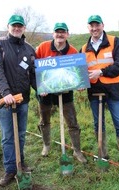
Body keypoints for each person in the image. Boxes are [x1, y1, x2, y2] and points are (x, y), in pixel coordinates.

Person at [0, 14, 36, 187]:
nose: (17, 28)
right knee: (9, 136)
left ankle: (20, 163)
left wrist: (42, 90)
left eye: (20, 26)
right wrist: (6, 93)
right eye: (14, 25)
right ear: (8, 26)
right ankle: (10, 169)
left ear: (24, 28)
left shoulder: (29, 49)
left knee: (21, 134)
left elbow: (33, 74)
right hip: (4, 99)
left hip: (22, 99)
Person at [80, 15, 119, 167]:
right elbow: (81, 71)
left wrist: (101, 72)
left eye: (97, 25)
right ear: (88, 28)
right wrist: (81, 82)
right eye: (91, 26)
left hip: (113, 90)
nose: (94, 28)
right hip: (94, 91)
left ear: (102, 25)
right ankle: (102, 154)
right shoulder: (84, 48)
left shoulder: (114, 41)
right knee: (98, 123)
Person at [36, 22, 87, 163]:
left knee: (72, 121)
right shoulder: (43, 47)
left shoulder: (73, 52)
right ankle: (46, 145)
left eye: (62, 32)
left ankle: (77, 151)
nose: (60, 34)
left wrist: (80, 84)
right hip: (46, 91)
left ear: (67, 34)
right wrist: (40, 86)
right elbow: (34, 67)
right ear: (53, 34)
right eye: (57, 32)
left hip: (65, 92)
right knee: (44, 119)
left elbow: (79, 72)